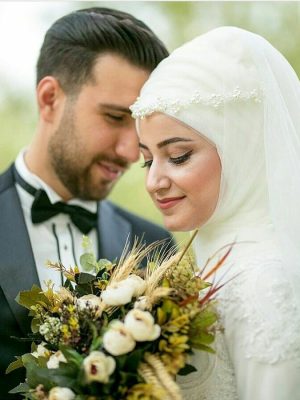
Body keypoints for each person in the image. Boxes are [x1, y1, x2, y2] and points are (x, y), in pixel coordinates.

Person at [0, 7, 174, 398]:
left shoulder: (156, 247)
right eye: (115, 117)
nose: (133, 151)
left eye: (141, 125)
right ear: (49, 98)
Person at [131, 26, 300, 399]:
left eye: (178, 156)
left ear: (242, 146)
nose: (154, 181)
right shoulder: (215, 263)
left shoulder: (264, 281)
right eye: (147, 160)